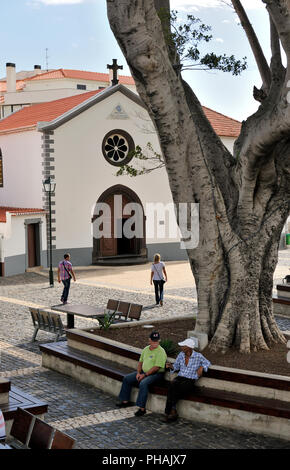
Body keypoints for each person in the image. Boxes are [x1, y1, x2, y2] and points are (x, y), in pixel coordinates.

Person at [116, 331, 167, 417]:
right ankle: (125, 401)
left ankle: (142, 409)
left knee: (143, 383)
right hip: (144, 372)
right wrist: (139, 373)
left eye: (157, 341)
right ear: (149, 340)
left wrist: (144, 375)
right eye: (154, 341)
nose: (155, 343)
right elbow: (140, 362)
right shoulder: (146, 349)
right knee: (127, 378)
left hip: (156, 374)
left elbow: (156, 368)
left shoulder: (161, 351)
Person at [163, 338, 211, 423]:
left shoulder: (198, 356)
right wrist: (171, 366)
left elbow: (207, 362)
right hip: (180, 377)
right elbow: (176, 366)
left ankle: (170, 412)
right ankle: (172, 412)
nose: (181, 347)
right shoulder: (181, 355)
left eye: (183, 346)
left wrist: (202, 367)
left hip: (190, 379)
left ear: (189, 347)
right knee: (172, 385)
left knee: (174, 389)